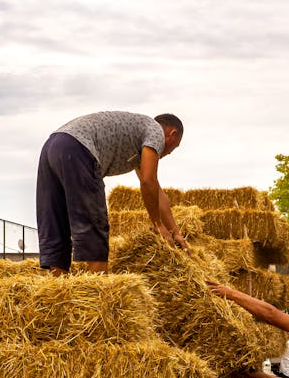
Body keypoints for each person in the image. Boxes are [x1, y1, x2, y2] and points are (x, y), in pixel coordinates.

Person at [36, 111, 187, 275]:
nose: (169, 153)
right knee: (94, 221)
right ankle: (103, 290)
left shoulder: (139, 136)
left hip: (52, 146)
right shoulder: (156, 131)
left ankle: (58, 290)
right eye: (174, 148)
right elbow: (148, 182)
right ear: (172, 134)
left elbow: (155, 190)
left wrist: (175, 233)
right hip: (79, 147)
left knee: (55, 221)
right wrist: (158, 225)